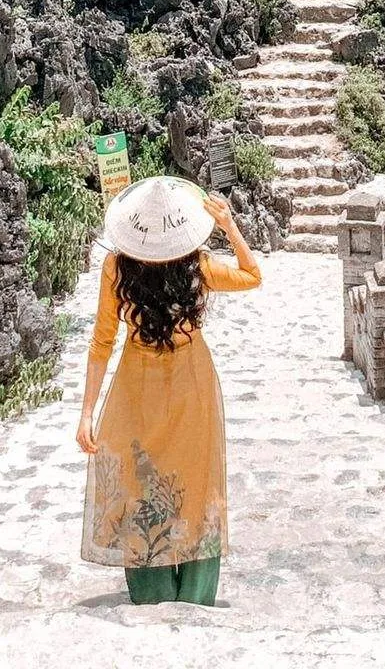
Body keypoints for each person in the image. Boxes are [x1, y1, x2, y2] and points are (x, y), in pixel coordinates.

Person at [77, 175, 261, 606]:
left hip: (136, 391)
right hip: (192, 389)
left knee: (140, 483)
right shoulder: (197, 266)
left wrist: (87, 413)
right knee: (195, 485)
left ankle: (152, 594)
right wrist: (229, 226)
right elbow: (252, 275)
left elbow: (102, 341)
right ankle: (196, 598)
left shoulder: (116, 268)